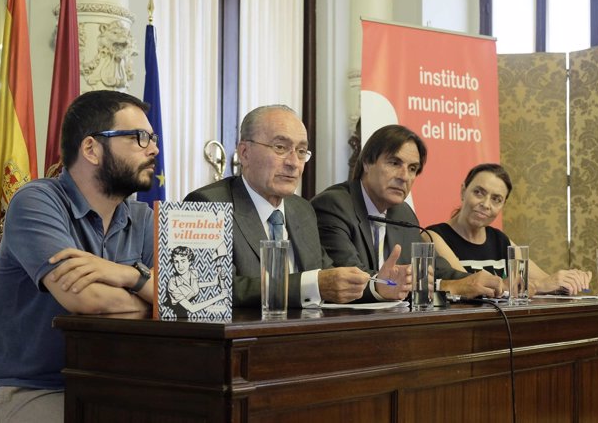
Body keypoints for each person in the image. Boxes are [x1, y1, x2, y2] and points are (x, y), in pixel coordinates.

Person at [0, 90, 159, 423]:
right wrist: (149, 302)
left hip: (107, 385)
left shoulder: (143, 218)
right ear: (91, 149)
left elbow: (183, 303)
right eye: (139, 138)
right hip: (25, 389)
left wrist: (127, 275)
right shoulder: (35, 202)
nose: (154, 149)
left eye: (153, 138)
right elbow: (86, 299)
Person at [184, 105, 410, 307]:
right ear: (245, 153)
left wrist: (379, 286)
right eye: (280, 147)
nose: (293, 163)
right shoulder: (207, 206)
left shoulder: (301, 210)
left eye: (301, 151)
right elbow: (212, 290)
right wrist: (312, 285)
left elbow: (331, 278)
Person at [311, 125, 503, 299]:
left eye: (412, 168)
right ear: (368, 162)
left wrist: (475, 281)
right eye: (394, 163)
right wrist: (449, 286)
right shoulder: (334, 206)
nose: (404, 177)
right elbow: (354, 278)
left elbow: (435, 268)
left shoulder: (402, 213)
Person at [426, 163, 592, 295]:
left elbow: (546, 280)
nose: (485, 204)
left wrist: (570, 279)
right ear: (463, 191)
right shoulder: (434, 236)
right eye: (478, 192)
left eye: (496, 199)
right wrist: (541, 284)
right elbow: (472, 286)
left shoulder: (501, 240)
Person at [165, 245, 228, 314]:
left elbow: (193, 286)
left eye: (183, 261)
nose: (180, 266)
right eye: (176, 262)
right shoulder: (173, 283)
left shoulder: (193, 273)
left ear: (189, 261)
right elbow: (192, 308)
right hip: (174, 317)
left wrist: (213, 283)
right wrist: (219, 297)